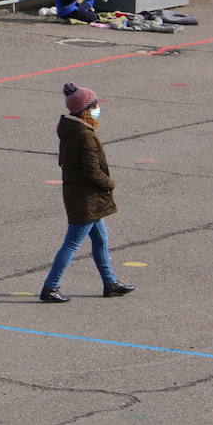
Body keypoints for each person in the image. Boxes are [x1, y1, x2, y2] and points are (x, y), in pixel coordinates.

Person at [40, 82, 136, 303]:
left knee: (101, 240)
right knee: (72, 244)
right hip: (86, 200)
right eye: (94, 106)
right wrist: (109, 184)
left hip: (81, 197)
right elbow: (92, 171)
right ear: (85, 110)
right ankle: (50, 287)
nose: (97, 109)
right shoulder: (85, 136)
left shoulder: (71, 132)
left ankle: (110, 283)